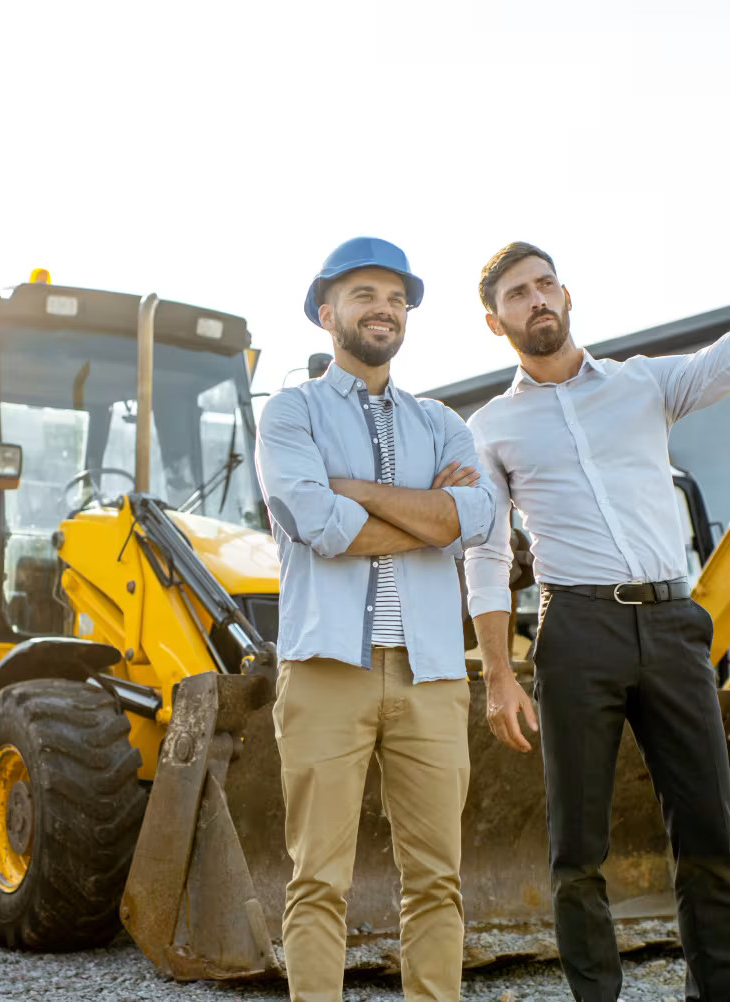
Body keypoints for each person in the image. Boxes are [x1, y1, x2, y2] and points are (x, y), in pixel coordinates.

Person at [464, 185, 730, 1002]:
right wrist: (500, 672)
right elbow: (483, 549)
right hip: (575, 631)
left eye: (545, 284)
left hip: (675, 624)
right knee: (578, 848)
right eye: (516, 295)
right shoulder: (491, 429)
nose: (536, 300)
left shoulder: (645, 385)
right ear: (495, 322)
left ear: (566, 296)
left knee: (708, 833)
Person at [255, 236, 496, 1002]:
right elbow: (316, 523)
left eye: (395, 297)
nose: (383, 309)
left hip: (431, 675)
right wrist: (434, 516)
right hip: (328, 669)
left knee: (438, 880)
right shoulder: (290, 413)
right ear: (328, 314)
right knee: (317, 880)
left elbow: (483, 516)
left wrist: (355, 489)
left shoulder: (441, 423)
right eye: (364, 295)